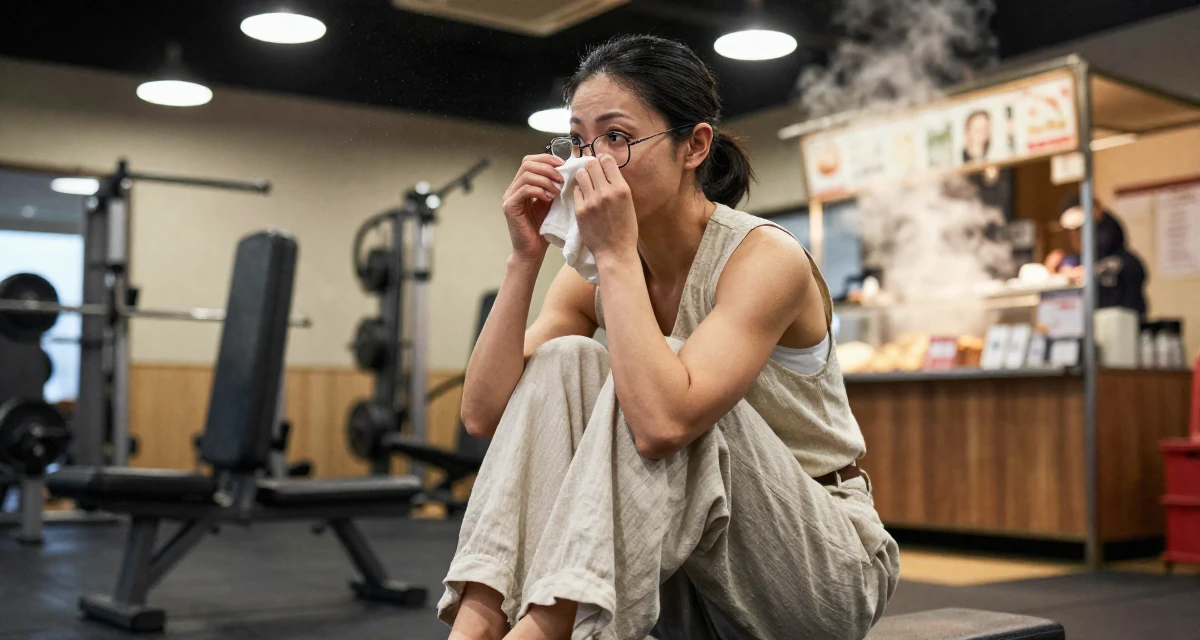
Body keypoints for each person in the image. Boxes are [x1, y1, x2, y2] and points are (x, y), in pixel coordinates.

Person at [439, 35, 897, 640]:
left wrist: (615, 256)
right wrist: (523, 258)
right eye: (578, 141)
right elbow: (483, 414)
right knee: (564, 358)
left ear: (694, 146)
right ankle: (474, 629)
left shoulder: (764, 258)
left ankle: (543, 632)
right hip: (680, 577)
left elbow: (661, 425)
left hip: (816, 575)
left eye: (617, 137)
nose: (590, 162)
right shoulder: (593, 271)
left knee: (671, 375)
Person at [1044, 192, 1148, 318]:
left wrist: (1087, 273)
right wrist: (1052, 274)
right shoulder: (1074, 261)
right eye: (1071, 231)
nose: (1075, 236)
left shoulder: (1125, 263)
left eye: (1080, 229)